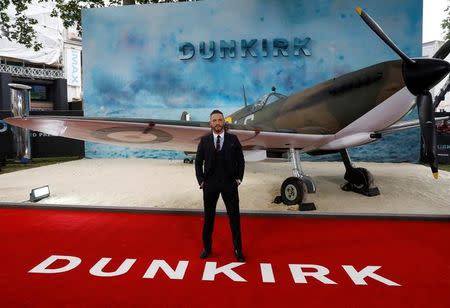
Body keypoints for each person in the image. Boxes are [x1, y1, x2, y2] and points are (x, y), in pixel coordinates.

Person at [195, 109, 245, 262]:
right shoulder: (204, 141)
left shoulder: (233, 139)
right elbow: (198, 162)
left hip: (230, 184)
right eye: (214, 120)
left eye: (220, 120)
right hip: (210, 185)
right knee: (209, 218)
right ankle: (207, 248)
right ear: (210, 123)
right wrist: (201, 181)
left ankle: (238, 250)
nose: (217, 123)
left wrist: (238, 179)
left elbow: (241, 161)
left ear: (224, 122)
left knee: (234, 218)